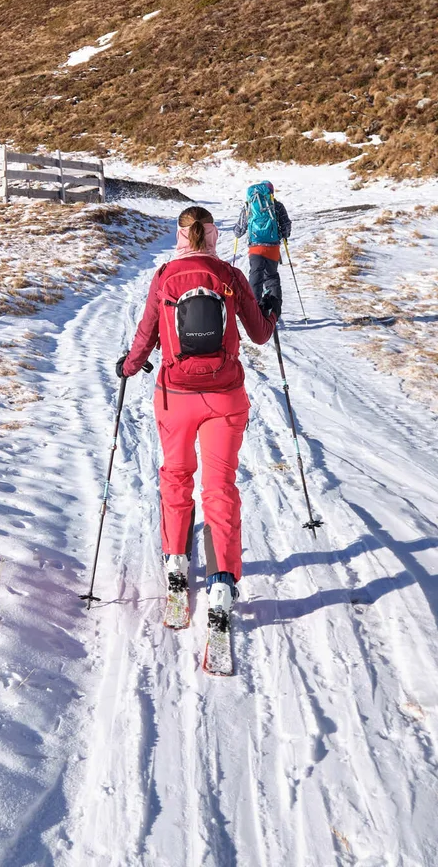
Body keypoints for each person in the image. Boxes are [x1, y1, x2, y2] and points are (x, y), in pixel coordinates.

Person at [116, 204, 275, 642]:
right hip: (226, 397)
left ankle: (175, 568)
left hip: (175, 397)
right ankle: (222, 586)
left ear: (180, 234)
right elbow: (260, 334)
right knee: (220, 487)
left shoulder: (164, 276)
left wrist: (129, 367)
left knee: (176, 478)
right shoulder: (228, 275)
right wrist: (270, 305)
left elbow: (146, 334)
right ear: (213, 233)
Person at [230, 181, 291, 318]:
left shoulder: (249, 205)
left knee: (255, 276)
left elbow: (239, 230)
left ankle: (254, 310)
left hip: (255, 248)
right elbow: (286, 226)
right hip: (272, 248)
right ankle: (275, 312)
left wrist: (237, 232)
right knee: (271, 277)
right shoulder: (277, 205)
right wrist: (283, 236)